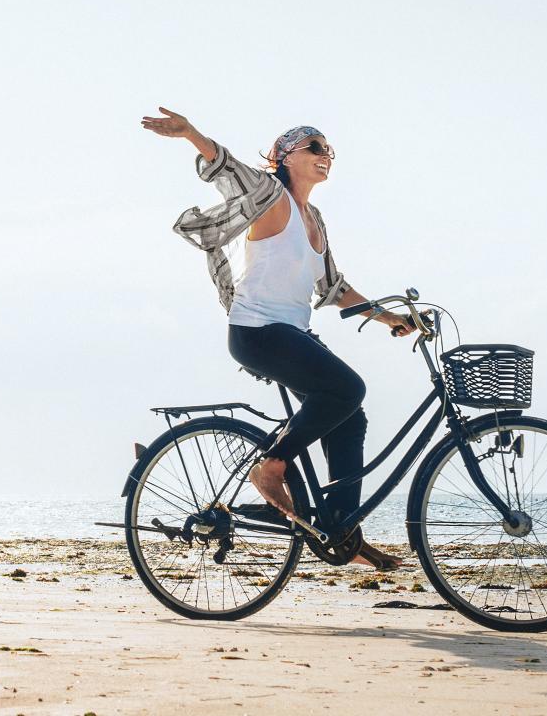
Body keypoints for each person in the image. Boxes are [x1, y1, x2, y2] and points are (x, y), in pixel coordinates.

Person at [141, 106, 411, 570]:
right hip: (258, 332)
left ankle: (340, 527)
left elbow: (333, 287)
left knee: (349, 415)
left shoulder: (315, 220)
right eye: (315, 148)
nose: (326, 156)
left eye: (330, 150)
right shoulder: (271, 196)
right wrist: (191, 134)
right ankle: (271, 467)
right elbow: (228, 168)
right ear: (286, 156)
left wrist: (391, 318)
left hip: (290, 333)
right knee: (348, 388)